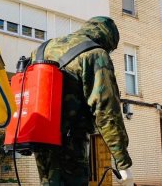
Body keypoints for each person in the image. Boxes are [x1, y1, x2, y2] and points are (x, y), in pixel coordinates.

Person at [30, 16, 133, 186]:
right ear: (107, 38)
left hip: (41, 140)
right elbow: (106, 111)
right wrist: (123, 163)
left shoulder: (43, 48)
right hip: (70, 144)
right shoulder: (95, 54)